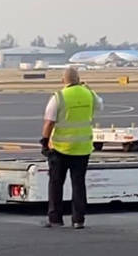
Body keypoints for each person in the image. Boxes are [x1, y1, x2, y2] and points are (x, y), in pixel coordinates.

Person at [40, 66, 103, 229]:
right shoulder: (89, 94)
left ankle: (55, 218)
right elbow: (100, 106)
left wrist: (44, 141)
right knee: (78, 184)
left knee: (56, 184)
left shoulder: (59, 97)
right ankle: (78, 219)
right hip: (82, 148)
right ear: (79, 79)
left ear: (63, 80)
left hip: (60, 148)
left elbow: (49, 122)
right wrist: (88, 89)